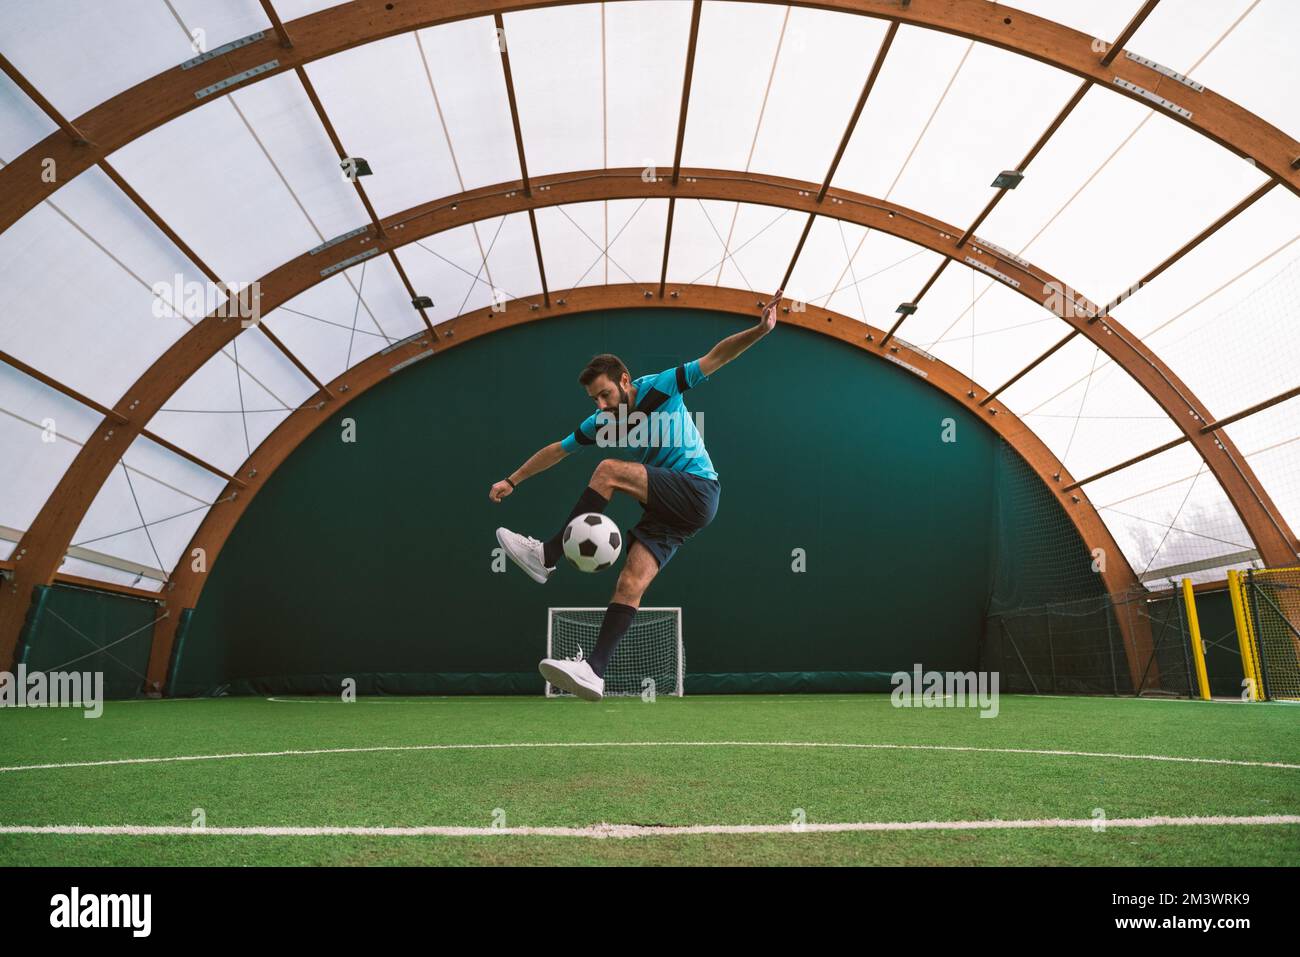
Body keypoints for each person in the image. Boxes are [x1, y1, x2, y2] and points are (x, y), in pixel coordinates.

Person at [489, 289, 783, 700]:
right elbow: (557, 450)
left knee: (608, 471)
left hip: (699, 490)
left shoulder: (661, 386)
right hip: (669, 513)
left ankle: (547, 556)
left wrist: (759, 331)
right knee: (630, 582)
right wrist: (513, 479)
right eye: (594, 399)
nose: (602, 404)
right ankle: (594, 670)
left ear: (625, 381)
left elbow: (716, 357)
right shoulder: (602, 422)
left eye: (606, 394)